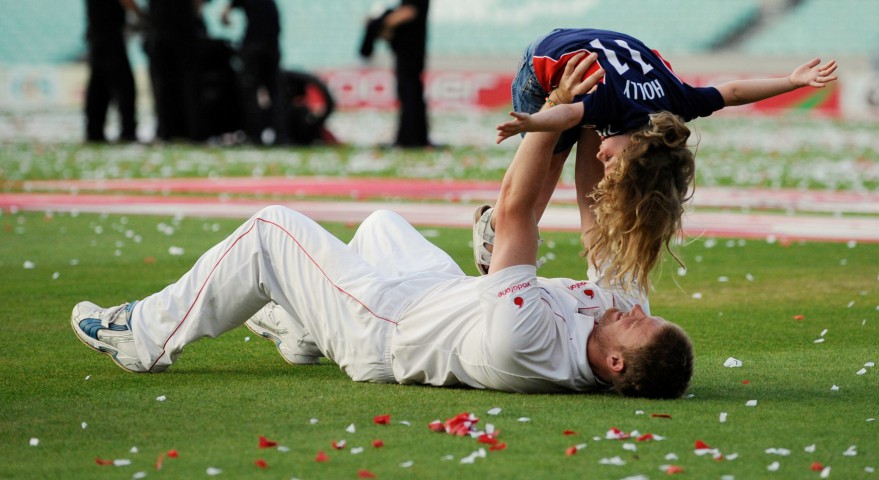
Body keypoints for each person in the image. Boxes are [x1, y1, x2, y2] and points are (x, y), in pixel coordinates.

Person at [70, 106, 693, 399]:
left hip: (385, 330)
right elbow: (595, 214)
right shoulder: (616, 312)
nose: (634, 308)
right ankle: (303, 335)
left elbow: (515, 215)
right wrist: (596, 124)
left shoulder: (530, 346)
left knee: (272, 230)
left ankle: (142, 337)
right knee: (382, 225)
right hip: (437, 296)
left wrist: (547, 123)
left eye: (637, 325)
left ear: (614, 364)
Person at [474, 28, 838, 290]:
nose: (606, 159)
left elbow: (732, 92)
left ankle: (601, 271)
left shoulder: (674, 104)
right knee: (543, 175)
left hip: (611, 57)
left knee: (596, 191)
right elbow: (565, 115)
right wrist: (535, 121)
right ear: (636, 146)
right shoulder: (610, 101)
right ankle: (494, 228)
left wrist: (792, 82)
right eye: (617, 162)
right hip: (549, 64)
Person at [360, 0, 432, 148]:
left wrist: (380, 22)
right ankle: (415, 138)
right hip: (409, 50)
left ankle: (409, 139)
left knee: (409, 94)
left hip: (410, 50)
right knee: (411, 94)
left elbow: (408, 12)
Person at [220, 0, 285, 145]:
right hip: (272, 46)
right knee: (275, 92)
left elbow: (224, 13)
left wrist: (226, 13)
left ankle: (255, 135)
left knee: (250, 92)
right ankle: (281, 135)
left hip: (254, 46)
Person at [83, 0, 142, 143]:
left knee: (99, 85)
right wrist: (141, 14)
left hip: (97, 31)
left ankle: (94, 132)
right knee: (124, 86)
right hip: (110, 33)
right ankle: (128, 131)